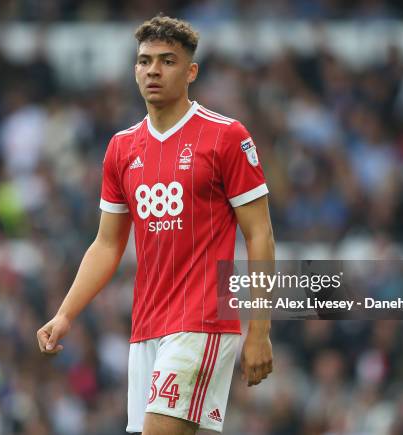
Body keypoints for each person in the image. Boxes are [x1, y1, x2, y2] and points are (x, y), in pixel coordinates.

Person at [37, 15, 275, 435]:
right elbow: (107, 245)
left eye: (167, 61)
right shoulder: (122, 148)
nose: (153, 70)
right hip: (146, 328)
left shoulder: (225, 137)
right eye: (145, 61)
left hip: (202, 321)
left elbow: (260, 234)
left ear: (191, 71)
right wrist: (65, 314)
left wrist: (260, 329)